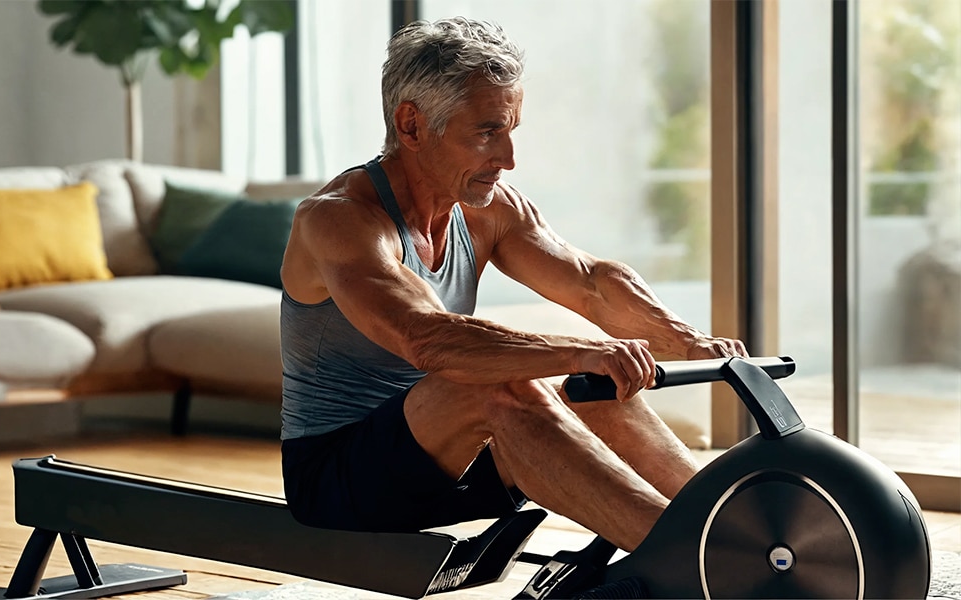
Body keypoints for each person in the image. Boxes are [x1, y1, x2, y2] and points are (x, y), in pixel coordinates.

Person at [278, 16, 747, 552]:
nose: (508, 158)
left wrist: (686, 340)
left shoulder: (488, 210)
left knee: (597, 390)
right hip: (340, 480)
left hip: (457, 465)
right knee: (501, 381)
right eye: (485, 132)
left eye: (509, 131)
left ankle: (731, 537)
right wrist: (580, 352)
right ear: (411, 125)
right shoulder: (339, 220)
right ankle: (696, 561)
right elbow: (428, 338)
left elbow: (591, 283)